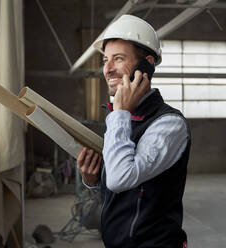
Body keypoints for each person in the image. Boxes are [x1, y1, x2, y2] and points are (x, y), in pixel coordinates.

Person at [77, 14, 191, 248]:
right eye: (105, 60)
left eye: (117, 59)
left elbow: (121, 178)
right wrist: (94, 180)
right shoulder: (123, 117)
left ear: (146, 64)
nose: (107, 69)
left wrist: (120, 112)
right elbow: (130, 190)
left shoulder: (169, 124)